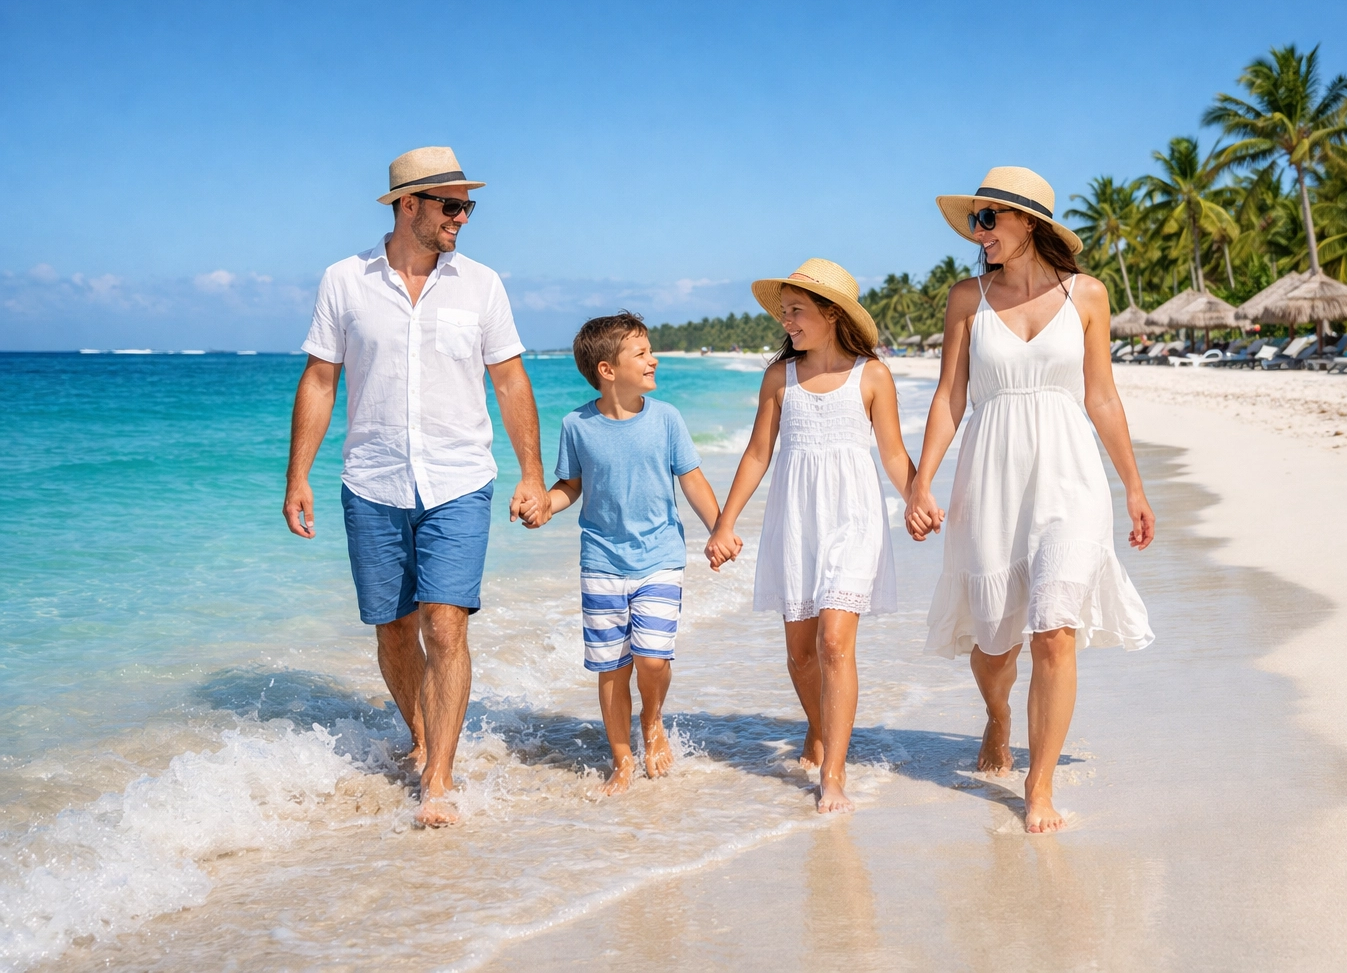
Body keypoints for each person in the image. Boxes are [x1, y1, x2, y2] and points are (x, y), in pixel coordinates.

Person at [282, 147, 547, 828]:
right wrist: (297, 477)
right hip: (371, 479)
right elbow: (320, 379)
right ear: (409, 206)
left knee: (444, 622)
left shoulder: (482, 285)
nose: (463, 217)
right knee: (395, 629)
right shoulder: (344, 281)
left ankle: (439, 778)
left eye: (467, 206)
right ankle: (423, 736)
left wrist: (532, 473)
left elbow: (511, 380)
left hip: (460, 478)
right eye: (451, 206)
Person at [905, 167, 1155, 833]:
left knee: (1054, 629)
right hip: (990, 476)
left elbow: (1101, 395)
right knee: (994, 642)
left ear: (1029, 223)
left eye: (988, 219)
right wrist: (919, 482)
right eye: (974, 221)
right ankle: (997, 714)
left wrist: (1133, 485)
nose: (977, 233)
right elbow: (949, 398)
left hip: (1070, 474)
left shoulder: (1089, 296)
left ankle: (1037, 785)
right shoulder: (967, 298)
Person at [708, 259, 917, 814]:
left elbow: (893, 453)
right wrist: (726, 522)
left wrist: (919, 496)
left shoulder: (871, 375)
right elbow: (758, 454)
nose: (788, 321)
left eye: (796, 311)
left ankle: (834, 772)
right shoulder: (780, 378)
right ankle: (821, 727)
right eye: (784, 313)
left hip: (854, 517)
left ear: (831, 313)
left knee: (832, 643)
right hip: (796, 519)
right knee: (800, 655)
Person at [523, 312, 723, 795]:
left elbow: (691, 479)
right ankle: (621, 757)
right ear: (608, 370)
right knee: (612, 666)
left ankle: (652, 720)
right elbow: (571, 485)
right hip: (601, 560)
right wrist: (546, 505)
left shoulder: (667, 419)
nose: (653, 359)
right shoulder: (577, 425)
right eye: (641, 353)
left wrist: (720, 528)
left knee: (651, 660)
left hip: (660, 555)